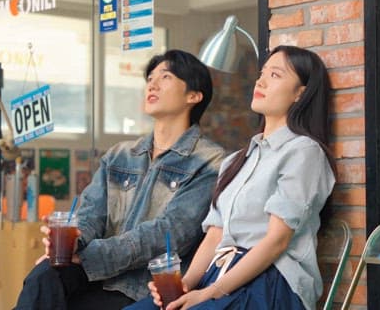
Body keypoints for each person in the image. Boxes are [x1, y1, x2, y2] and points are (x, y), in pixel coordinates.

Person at [126, 45, 336, 310]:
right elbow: (215, 235)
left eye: (275, 75)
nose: (260, 80)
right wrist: (186, 284)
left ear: (300, 93)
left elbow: (276, 242)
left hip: (271, 282)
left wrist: (210, 293)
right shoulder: (236, 161)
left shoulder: (303, 152)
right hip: (219, 274)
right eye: (262, 73)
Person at [15, 49, 225, 309]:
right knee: (44, 275)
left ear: (194, 96)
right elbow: (91, 213)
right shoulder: (119, 155)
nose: (153, 84)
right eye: (150, 78)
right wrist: (74, 240)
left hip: (145, 286)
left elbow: (169, 232)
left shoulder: (209, 161)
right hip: (94, 276)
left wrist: (90, 255)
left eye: (166, 77)